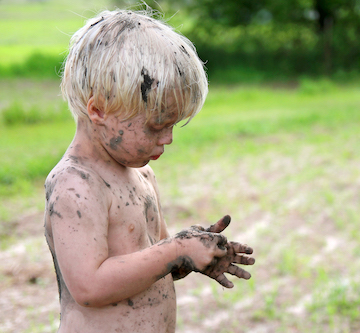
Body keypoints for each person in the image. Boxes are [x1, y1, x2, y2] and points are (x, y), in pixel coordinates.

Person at [44, 9, 255, 333]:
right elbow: (89, 287)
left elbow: (154, 262)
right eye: (157, 126)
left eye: (173, 125)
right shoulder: (76, 186)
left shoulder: (140, 175)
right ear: (99, 109)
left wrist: (190, 254)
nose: (168, 138)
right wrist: (175, 250)